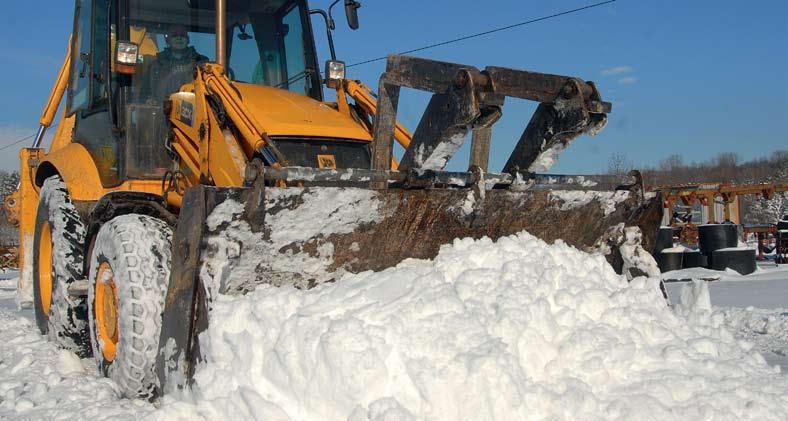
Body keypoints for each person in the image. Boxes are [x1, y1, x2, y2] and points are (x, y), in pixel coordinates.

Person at [145, 26, 208, 102]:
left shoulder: (201, 63)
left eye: (182, 35)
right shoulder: (154, 66)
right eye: (174, 35)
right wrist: (148, 100)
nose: (179, 38)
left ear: (188, 40)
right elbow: (144, 96)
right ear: (167, 40)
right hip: (163, 111)